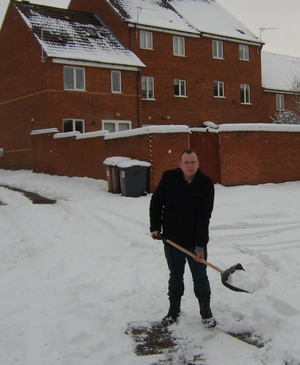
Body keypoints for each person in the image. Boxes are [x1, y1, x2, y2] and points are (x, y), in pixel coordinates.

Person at [149, 149, 216, 328]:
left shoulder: (206, 183)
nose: (190, 166)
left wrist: (200, 246)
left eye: (193, 162)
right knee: (175, 275)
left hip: (195, 241)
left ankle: (205, 312)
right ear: (180, 164)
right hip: (172, 239)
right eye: (186, 162)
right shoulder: (169, 177)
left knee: (200, 276)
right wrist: (155, 227)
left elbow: (204, 216)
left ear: (198, 163)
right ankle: (173, 310)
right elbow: (156, 202)